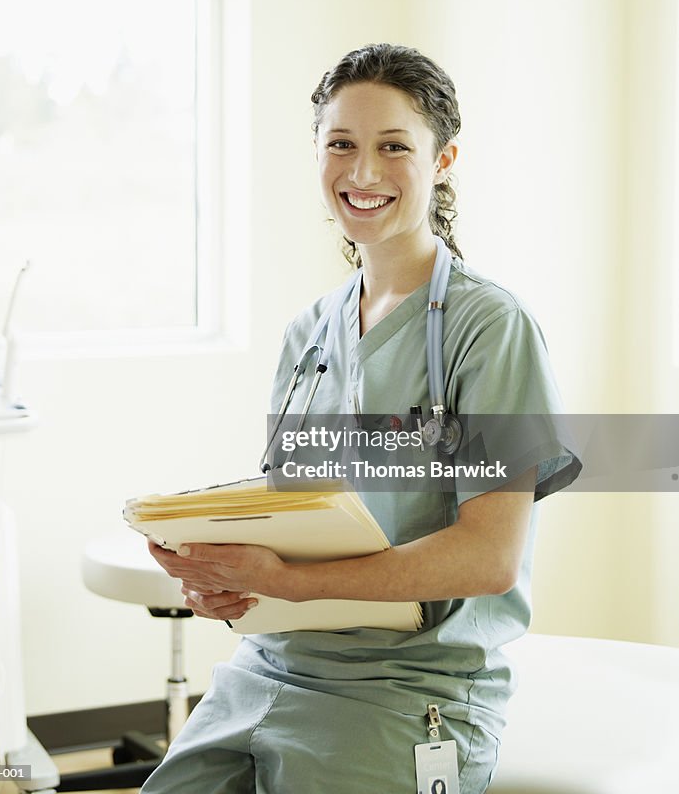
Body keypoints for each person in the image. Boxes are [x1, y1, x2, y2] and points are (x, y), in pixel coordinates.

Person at [144, 43, 579, 794]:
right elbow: (297, 520)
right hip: (270, 663)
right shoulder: (310, 331)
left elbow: (489, 557)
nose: (363, 172)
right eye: (340, 144)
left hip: (407, 686)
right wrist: (227, 581)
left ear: (442, 161)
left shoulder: (489, 327)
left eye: (393, 148)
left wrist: (290, 584)